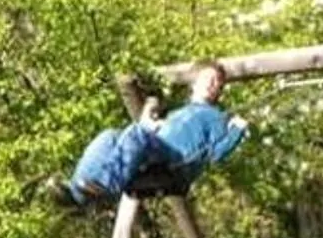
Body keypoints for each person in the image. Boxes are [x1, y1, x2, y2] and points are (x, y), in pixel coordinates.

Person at [64, 59, 251, 206]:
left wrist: (237, 129)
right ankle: (76, 191)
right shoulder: (179, 112)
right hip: (157, 148)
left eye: (216, 81)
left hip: (177, 162)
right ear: (193, 84)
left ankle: (107, 186)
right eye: (206, 78)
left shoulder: (216, 117)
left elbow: (217, 153)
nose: (211, 83)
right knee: (109, 136)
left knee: (137, 134)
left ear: (219, 89)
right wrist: (155, 123)